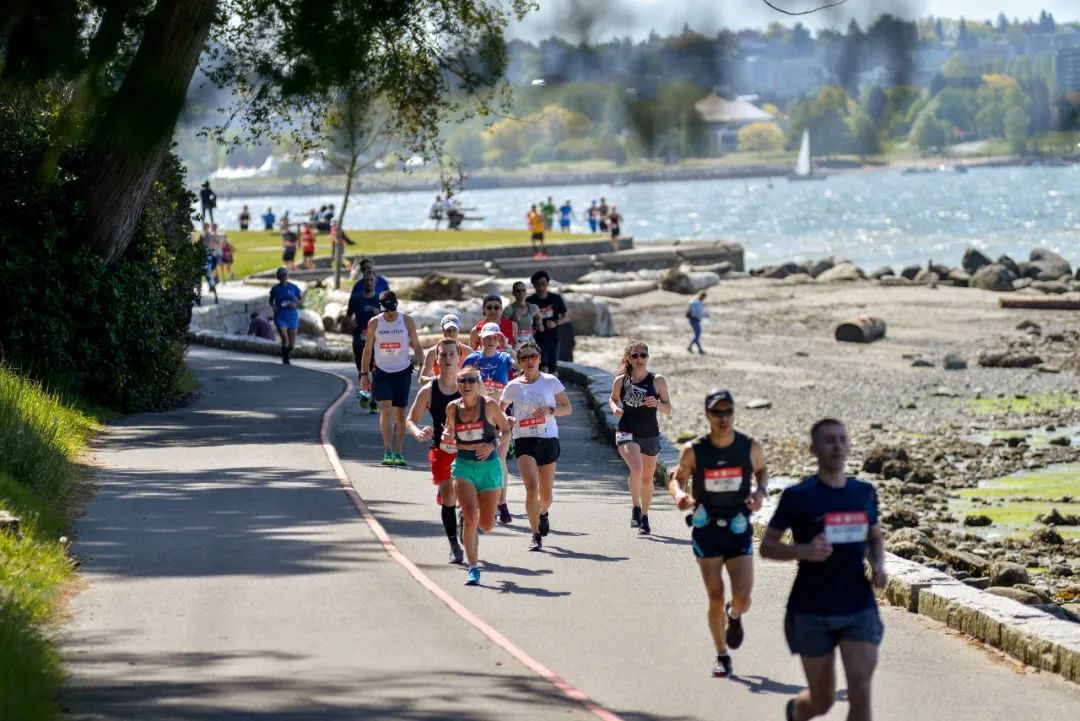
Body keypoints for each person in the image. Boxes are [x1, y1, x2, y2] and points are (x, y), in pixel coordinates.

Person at [760, 418, 886, 721]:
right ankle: (796, 711)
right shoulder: (798, 496)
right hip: (811, 608)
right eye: (829, 440)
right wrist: (803, 551)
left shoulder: (864, 492)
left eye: (843, 439)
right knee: (822, 700)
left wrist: (878, 565)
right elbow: (767, 546)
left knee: (860, 690)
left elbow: (874, 537)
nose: (837, 446)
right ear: (813, 449)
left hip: (858, 605)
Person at [667, 388, 769, 678]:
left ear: (733, 413)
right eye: (717, 412)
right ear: (707, 414)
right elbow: (677, 479)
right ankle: (722, 655)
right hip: (707, 529)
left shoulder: (749, 446)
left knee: (743, 598)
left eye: (728, 411)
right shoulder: (694, 450)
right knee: (715, 595)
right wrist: (679, 496)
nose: (723, 417)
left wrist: (760, 492)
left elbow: (762, 472)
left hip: (738, 527)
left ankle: (733, 614)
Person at [443, 365, 512, 586]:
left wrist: (492, 444)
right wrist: (446, 436)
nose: (467, 384)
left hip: (488, 467)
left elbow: (506, 431)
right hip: (463, 466)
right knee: (472, 518)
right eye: (462, 380)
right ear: (457, 384)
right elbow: (449, 432)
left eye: (471, 380)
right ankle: (473, 569)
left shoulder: (490, 406)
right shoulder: (452, 408)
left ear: (479, 383)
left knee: (487, 524)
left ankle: (468, 517)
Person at [501, 340, 572, 552]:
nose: (529, 361)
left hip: (548, 438)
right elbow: (499, 410)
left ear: (539, 359)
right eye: (524, 358)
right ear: (519, 362)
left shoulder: (551, 381)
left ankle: (543, 512)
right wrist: (506, 419)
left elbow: (567, 408)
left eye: (533, 357)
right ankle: (535, 535)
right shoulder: (513, 386)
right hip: (523, 440)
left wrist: (551, 410)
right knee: (531, 489)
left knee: (546, 496)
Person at [407, 338, 467, 565]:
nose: (448, 358)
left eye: (452, 354)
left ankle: (465, 519)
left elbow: (486, 411)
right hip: (441, 451)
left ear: (459, 357)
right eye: (443, 354)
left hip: (468, 449)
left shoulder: (469, 385)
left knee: (468, 497)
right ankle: (454, 545)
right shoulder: (429, 390)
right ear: (437, 359)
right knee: (449, 496)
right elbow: (411, 419)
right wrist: (418, 432)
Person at [609, 341, 671, 535]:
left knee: (646, 478)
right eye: (634, 356)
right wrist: (615, 408)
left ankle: (644, 515)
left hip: (650, 433)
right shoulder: (621, 381)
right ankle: (635, 507)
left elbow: (668, 408)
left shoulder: (657, 380)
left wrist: (657, 404)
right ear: (628, 358)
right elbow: (613, 398)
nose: (639, 359)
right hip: (626, 431)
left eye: (643, 355)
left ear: (647, 357)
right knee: (637, 469)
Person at [359, 290, 425, 467]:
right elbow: (367, 349)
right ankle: (387, 450)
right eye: (386, 311)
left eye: (392, 310)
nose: (389, 313)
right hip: (382, 372)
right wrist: (364, 374)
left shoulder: (406, 321)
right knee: (385, 409)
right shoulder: (375, 322)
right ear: (381, 308)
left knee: (400, 413)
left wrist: (422, 366)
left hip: (402, 371)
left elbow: (417, 345)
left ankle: (398, 451)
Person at [464, 323, 517, 525]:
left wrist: (508, 346)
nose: (491, 340)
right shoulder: (472, 359)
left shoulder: (505, 358)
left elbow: (521, 368)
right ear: (481, 338)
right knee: (479, 459)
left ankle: (502, 503)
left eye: (495, 337)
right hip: (477, 415)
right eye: (487, 337)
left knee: (500, 460)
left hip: (501, 414)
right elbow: (461, 383)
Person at [346, 268, 382, 412]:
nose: (369, 282)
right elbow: (348, 315)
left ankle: (374, 402)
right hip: (359, 340)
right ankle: (365, 393)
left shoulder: (379, 299)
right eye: (366, 280)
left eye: (371, 280)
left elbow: (388, 318)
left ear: (375, 282)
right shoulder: (356, 298)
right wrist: (350, 323)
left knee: (376, 372)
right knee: (362, 371)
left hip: (375, 340)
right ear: (363, 282)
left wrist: (379, 314)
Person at [526, 270, 569, 374]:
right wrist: (532, 329)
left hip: (553, 338)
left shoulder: (556, 298)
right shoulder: (529, 301)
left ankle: (554, 385)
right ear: (534, 285)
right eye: (537, 284)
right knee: (543, 368)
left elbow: (566, 317)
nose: (541, 287)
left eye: (543, 284)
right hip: (537, 339)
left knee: (553, 370)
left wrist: (555, 323)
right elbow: (523, 320)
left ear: (547, 283)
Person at [420, 314, 471, 384]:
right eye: (448, 330)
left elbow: (477, 376)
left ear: (458, 330)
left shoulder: (467, 351)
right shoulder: (433, 352)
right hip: (440, 389)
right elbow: (422, 379)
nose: (451, 333)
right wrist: (440, 379)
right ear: (442, 330)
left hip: (461, 389)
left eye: (454, 329)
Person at [269, 267, 302, 365]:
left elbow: (300, 298)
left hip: (291, 315)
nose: (283, 277)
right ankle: (285, 360)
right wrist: (273, 306)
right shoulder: (275, 289)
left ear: (287, 276)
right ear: (278, 277)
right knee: (284, 337)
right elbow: (271, 300)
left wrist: (295, 303)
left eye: (285, 275)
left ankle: (286, 353)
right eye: (281, 276)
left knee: (291, 344)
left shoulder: (293, 287)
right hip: (280, 315)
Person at [503, 282, 541, 347]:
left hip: (530, 345)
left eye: (523, 290)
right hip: (515, 346)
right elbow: (501, 328)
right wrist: (512, 323)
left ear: (526, 292)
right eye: (518, 291)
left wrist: (539, 325)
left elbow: (540, 324)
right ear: (513, 293)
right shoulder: (508, 310)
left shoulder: (533, 308)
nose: (521, 293)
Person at [687, 291, 708, 355]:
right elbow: (697, 312)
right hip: (694, 320)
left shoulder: (696, 302)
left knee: (697, 335)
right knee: (697, 334)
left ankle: (698, 349)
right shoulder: (697, 303)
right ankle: (692, 347)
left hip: (694, 320)